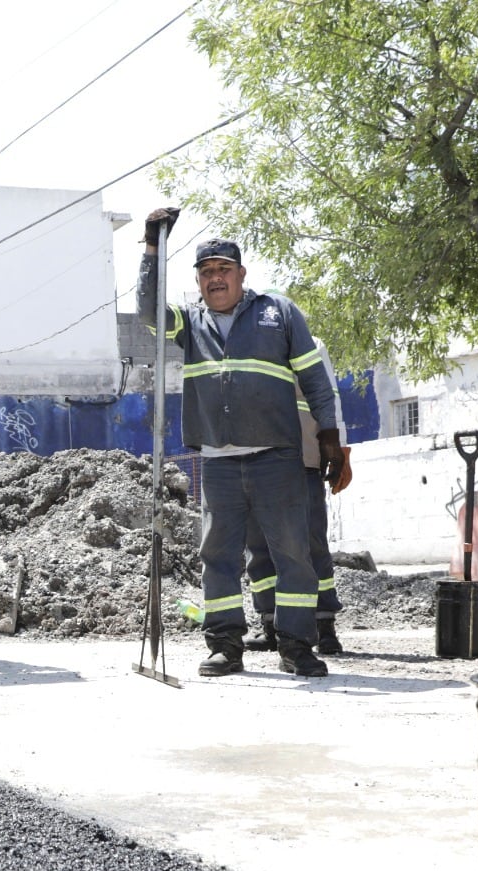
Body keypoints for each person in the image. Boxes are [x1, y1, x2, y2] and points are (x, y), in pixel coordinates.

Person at [136, 207, 346, 678]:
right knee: (219, 558)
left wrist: (329, 435)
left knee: (294, 554)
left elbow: (313, 377)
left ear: (241, 274)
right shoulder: (190, 323)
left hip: (278, 458)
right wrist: (152, 247)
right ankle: (225, 647)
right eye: (206, 272)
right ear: (198, 280)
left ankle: (296, 646)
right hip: (220, 463)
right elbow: (148, 312)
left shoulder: (278, 312)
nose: (215, 279)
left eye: (223, 270)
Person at [243, 337, 354, 655]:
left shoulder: (309, 344)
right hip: (253, 460)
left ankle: (324, 625)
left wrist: (340, 446)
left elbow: (328, 396)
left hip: (300, 459)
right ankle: (271, 624)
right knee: (259, 545)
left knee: (310, 543)